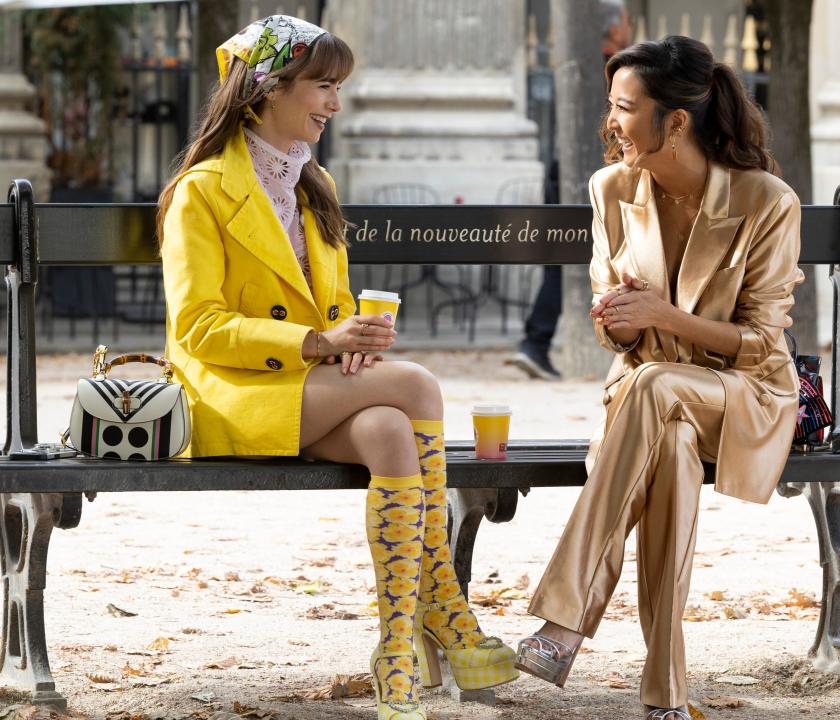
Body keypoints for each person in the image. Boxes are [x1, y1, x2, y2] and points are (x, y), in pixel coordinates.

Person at [156, 16, 518, 720]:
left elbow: (330, 307)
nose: (335, 104)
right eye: (324, 86)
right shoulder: (201, 191)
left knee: (388, 427)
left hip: (304, 389)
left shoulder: (310, 185)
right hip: (230, 391)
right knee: (415, 386)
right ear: (267, 89)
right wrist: (321, 344)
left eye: (338, 87)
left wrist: (353, 336)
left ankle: (396, 652)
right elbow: (197, 329)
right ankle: (450, 617)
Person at [514, 36, 804, 720]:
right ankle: (665, 692)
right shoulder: (611, 189)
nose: (611, 121)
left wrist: (663, 313)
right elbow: (612, 327)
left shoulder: (766, 201)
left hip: (743, 397)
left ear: (674, 121)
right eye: (612, 107)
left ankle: (562, 622)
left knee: (657, 391)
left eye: (624, 107)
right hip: (651, 402)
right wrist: (619, 321)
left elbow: (762, 344)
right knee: (666, 443)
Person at [510, 0, 633, 382]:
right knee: (577, 256)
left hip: (563, 167)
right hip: (592, 172)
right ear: (614, 29)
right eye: (626, 20)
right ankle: (538, 341)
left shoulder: (582, 65)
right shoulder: (621, 72)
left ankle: (536, 342)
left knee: (558, 258)